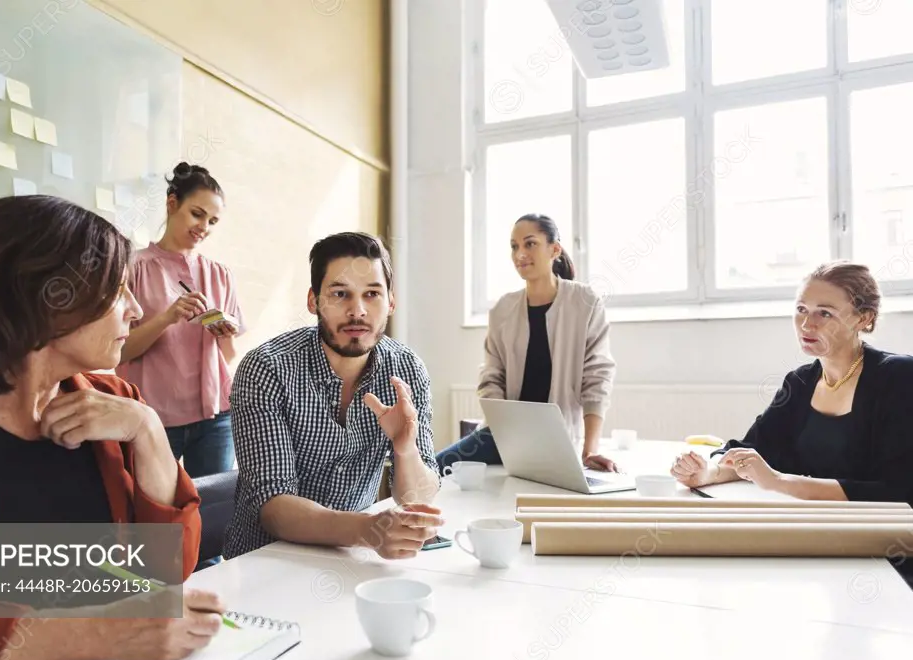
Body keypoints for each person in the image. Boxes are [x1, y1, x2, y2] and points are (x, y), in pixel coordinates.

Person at [0, 196, 228, 660]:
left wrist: (148, 430)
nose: (134, 310)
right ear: (46, 300)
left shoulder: (117, 399)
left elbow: (167, 569)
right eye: (117, 291)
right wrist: (102, 632)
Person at [223, 232, 444, 560]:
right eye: (340, 294)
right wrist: (368, 530)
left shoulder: (407, 368)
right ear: (314, 301)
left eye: (372, 294)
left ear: (391, 302)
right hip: (265, 561)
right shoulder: (267, 368)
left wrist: (405, 448)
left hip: (350, 558)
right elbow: (273, 506)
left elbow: (417, 497)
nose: (358, 311)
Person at [670, 261, 913, 506]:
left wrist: (780, 482)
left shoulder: (899, 377)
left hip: (879, 532)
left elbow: (897, 490)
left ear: (863, 318)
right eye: (801, 309)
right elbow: (755, 450)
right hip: (811, 521)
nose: (807, 324)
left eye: (825, 313)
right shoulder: (799, 382)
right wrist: (707, 474)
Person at [436, 213, 619, 474]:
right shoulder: (502, 309)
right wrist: (503, 429)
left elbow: (597, 378)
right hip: (504, 437)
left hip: (559, 440)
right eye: (514, 246)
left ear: (554, 249)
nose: (520, 253)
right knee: (434, 468)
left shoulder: (585, 301)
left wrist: (590, 450)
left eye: (530, 243)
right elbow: (491, 377)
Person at [117, 162, 246, 478]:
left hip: (216, 417)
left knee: (211, 514)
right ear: (172, 203)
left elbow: (228, 356)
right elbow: (118, 353)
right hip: (151, 418)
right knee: (150, 515)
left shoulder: (220, 274)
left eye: (213, 220)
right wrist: (168, 317)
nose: (205, 226)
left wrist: (222, 331)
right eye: (197, 214)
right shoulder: (131, 267)